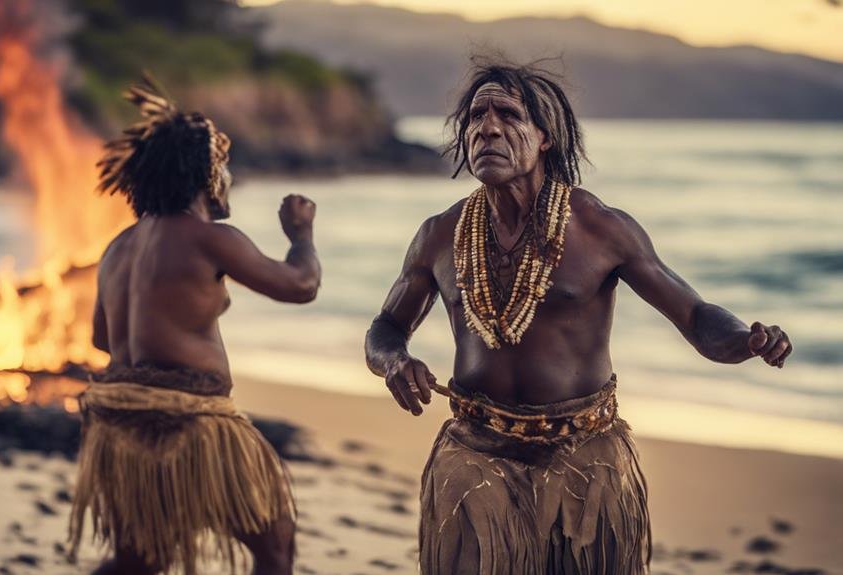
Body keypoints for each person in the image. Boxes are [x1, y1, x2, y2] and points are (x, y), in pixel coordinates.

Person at [364, 60, 792, 574]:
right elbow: (386, 327)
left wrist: (747, 340)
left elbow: (696, 317)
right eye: (476, 116)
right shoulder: (440, 234)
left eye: (508, 114)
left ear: (545, 136)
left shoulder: (601, 229)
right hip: (473, 454)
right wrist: (394, 361)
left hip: (588, 458)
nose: (488, 128)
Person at [67, 76, 321, 575]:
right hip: (191, 422)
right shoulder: (210, 238)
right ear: (203, 172)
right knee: (274, 542)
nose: (226, 174)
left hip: (119, 423)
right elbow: (300, 285)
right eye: (221, 165)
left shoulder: (118, 247)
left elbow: (101, 338)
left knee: (138, 559)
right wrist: (301, 234)